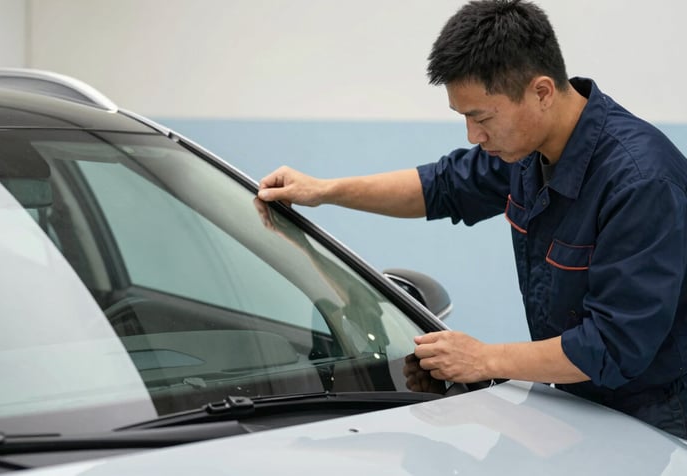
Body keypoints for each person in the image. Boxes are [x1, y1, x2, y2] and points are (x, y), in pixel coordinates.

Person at [256, 0, 687, 438]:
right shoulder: (527, 150)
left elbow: (614, 346)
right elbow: (441, 187)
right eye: (464, 118)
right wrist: (323, 191)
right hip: (570, 402)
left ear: (541, 92)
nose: (473, 137)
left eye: (482, 118)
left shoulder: (640, 183)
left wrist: (485, 359)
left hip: (653, 417)